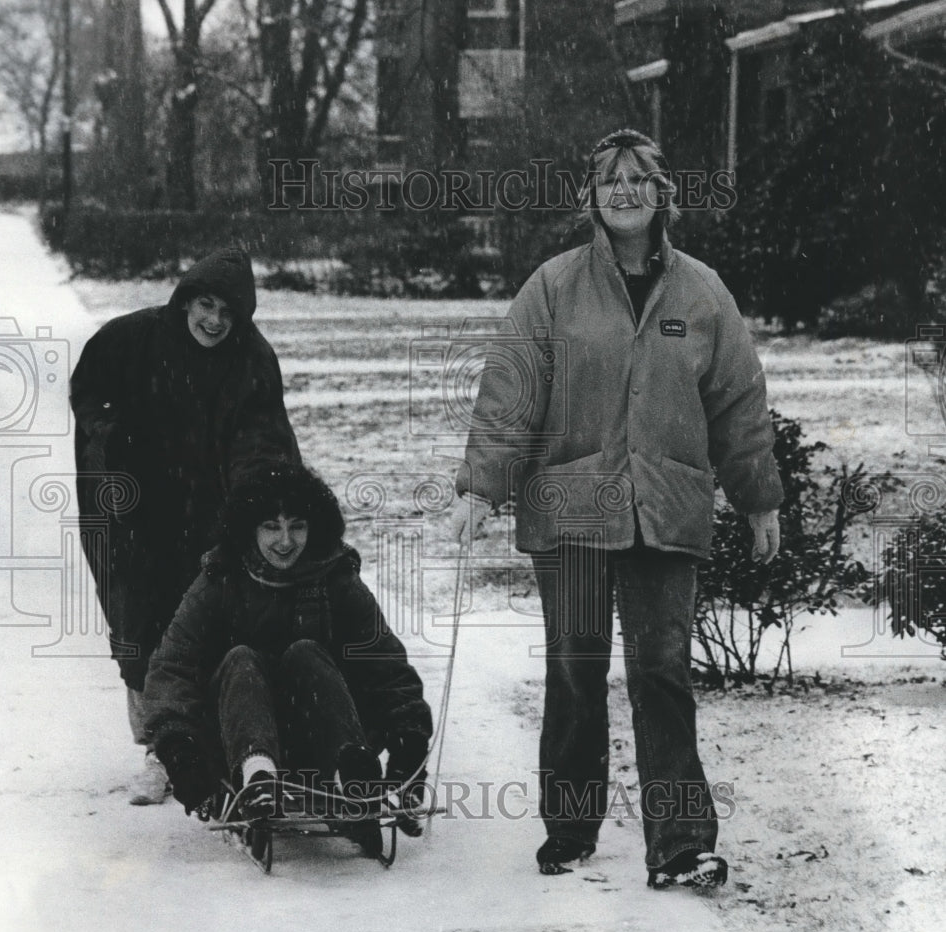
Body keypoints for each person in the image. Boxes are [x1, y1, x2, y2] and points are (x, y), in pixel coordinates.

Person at [452, 128, 783, 887]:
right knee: (576, 668)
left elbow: (738, 400)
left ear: (662, 193)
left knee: (662, 671)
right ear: (591, 199)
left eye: (640, 181)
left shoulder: (702, 292)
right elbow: (511, 391)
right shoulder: (554, 286)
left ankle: (680, 844)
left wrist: (759, 496)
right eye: (611, 182)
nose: (626, 193)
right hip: (569, 508)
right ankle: (569, 830)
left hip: (664, 508)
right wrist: (481, 487)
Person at [70, 247, 301, 805]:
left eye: (228, 312)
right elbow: (87, 393)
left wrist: (257, 493)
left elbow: (263, 432)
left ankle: (216, 743)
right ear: (185, 300)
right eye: (205, 305)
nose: (214, 321)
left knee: (212, 624)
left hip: (213, 513)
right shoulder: (132, 338)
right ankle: (158, 748)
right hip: (138, 515)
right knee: (140, 628)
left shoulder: (252, 359)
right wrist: (112, 436)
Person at [141, 461, 433, 856]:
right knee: (242, 659)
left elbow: (385, 664)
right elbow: (171, 668)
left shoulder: (335, 579)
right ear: (249, 529)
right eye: (271, 527)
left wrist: (408, 738)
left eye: (297, 525)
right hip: (238, 732)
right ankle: (258, 778)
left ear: (315, 528)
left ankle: (349, 775)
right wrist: (180, 749)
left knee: (306, 653)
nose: (285, 541)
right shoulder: (220, 579)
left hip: (321, 727)